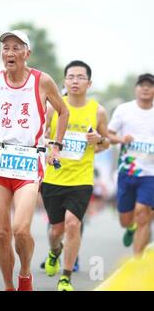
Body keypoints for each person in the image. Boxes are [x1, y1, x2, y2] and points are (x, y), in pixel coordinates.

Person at [0, 30, 69, 291]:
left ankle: (25, 273)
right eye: (5, 48)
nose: (9, 53)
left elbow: (63, 111)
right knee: (3, 232)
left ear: (28, 53)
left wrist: (56, 146)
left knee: (20, 229)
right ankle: (8, 285)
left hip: (28, 160)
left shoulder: (42, 81)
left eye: (16, 48)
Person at [41, 60, 110, 291]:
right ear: (64, 81)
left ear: (89, 83)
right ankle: (54, 251)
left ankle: (65, 277)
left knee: (73, 224)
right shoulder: (53, 108)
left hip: (81, 180)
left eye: (80, 77)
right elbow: (42, 137)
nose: (75, 81)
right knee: (56, 230)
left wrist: (98, 140)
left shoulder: (98, 111)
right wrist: (50, 148)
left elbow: (106, 143)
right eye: (71, 77)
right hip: (53, 178)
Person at [108, 73, 154, 255]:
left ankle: (137, 263)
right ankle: (131, 227)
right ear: (136, 89)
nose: (145, 88)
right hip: (127, 171)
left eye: (149, 85)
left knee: (143, 214)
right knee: (125, 220)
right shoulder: (123, 110)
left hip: (150, 174)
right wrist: (120, 139)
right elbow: (108, 135)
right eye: (142, 85)